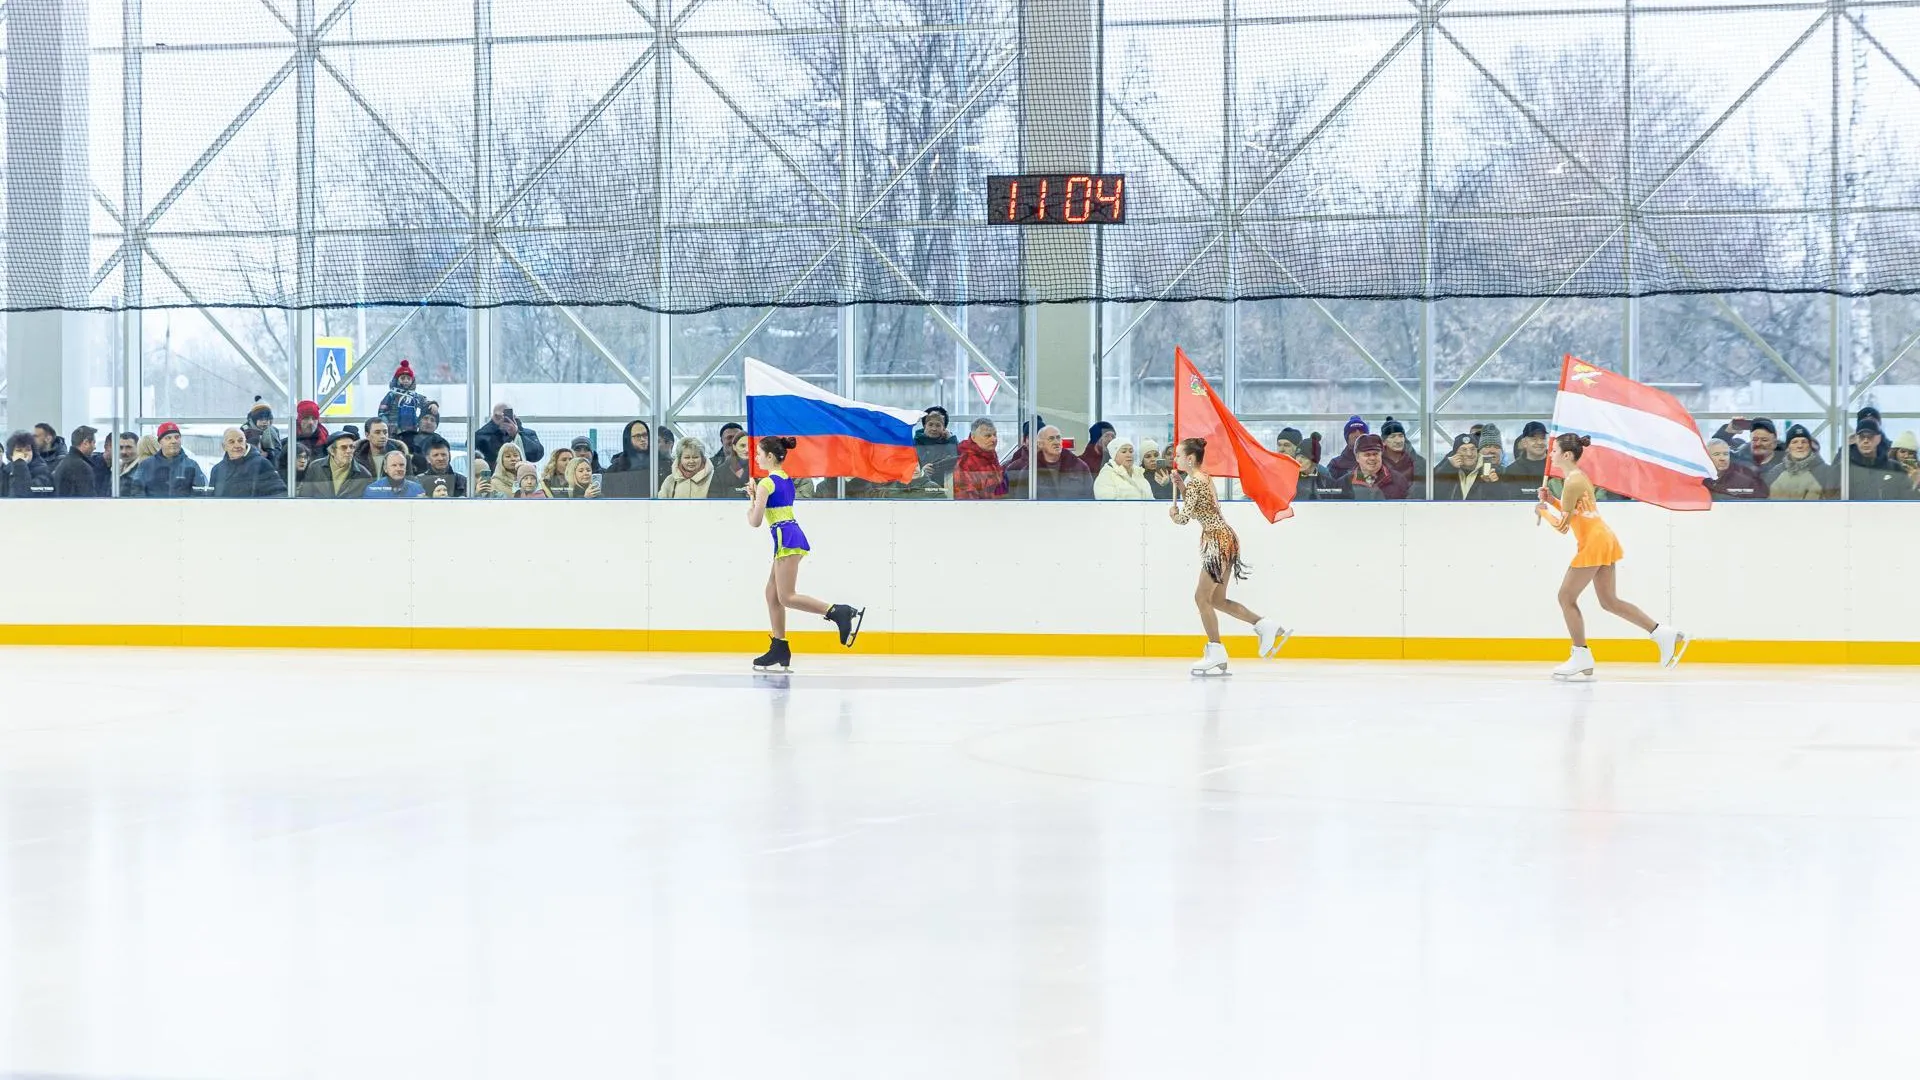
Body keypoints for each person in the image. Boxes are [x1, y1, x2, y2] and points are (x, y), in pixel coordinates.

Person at [1535, 434, 1686, 679]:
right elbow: (1575, 512)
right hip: (1601, 537)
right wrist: (1549, 500)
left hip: (1595, 542)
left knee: (1565, 596)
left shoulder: (1573, 481)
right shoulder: (1575, 478)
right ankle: (1662, 633)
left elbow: (1563, 526)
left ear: (1567, 455)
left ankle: (1581, 654)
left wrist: (1544, 512)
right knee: (1609, 601)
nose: (1550, 455)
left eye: (1554, 451)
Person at [1169, 437, 1287, 676]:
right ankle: (1264, 625)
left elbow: (1184, 518)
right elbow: (1201, 506)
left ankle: (1216, 652)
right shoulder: (1202, 479)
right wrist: (1181, 486)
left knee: (1201, 598)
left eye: (1179, 455)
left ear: (1190, 459)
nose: (1176, 459)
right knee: (1216, 600)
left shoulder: (1196, 483)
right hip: (1225, 538)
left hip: (1216, 542)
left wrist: (1173, 513)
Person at [747, 436, 863, 672]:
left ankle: (838, 611)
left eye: (759, 454)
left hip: (785, 538)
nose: (756, 458)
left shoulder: (765, 484)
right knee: (771, 593)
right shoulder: (786, 479)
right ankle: (779, 646)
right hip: (788, 535)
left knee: (786, 596)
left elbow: (755, 521)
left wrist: (751, 499)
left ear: (770, 456)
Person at [1005, 425, 1093, 500]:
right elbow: (1022, 502)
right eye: (1051, 439)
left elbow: (1090, 498)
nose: (1056, 442)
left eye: (1058, 438)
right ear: (1040, 444)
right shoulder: (1029, 471)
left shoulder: (1080, 466)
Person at [132, 422, 206, 498]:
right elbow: (137, 491)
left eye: (177, 437)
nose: (174, 441)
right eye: (168, 438)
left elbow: (200, 494)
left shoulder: (192, 466)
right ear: (160, 442)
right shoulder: (146, 465)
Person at [210, 427, 283, 498]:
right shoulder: (217, 470)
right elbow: (210, 499)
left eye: (240, 440)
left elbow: (279, 494)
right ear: (224, 446)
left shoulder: (261, 464)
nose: (237, 445)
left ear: (245, 442)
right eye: (231, 442)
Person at [1768, 424, 1835, 500]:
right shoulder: (1776, 472)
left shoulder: (1827, 472)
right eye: (1795, 442)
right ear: (1787, 447)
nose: (1800, 446)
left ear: (1809, 446)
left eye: (1804, 442)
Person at [1847, 420, 1908, 501]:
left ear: (1878, 438)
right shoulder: (1845, 470)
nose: (1866, 441)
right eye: (1862, 437)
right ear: (1856, 439)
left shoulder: (1895, 468)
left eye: (1870, 436)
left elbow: (1910, 499)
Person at [300, 430, 372, 498]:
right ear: (332, 451)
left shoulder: (364, 474)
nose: (349, 451)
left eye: (351, 447)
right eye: (344, 447)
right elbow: (305, 497)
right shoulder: (315, 467)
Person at [473, 402, 545, 467]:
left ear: (513, 416)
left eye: (508, 415)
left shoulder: (528, 433)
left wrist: (516, 433)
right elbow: (472, 444)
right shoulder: (488, 434)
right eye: (498, 416)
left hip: (521, 476)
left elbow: (537, 455)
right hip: (495, 478)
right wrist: (493, 424)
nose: (503, 418)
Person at [953, 418, 1008, 500]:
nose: (994, 439)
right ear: (973, 437)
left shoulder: (991, 455)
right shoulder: (965, 463)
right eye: (987, 436)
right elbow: (966, 500)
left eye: (995, 435)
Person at [601, 419, 654, 498]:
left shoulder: (657, 464)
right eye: (638, 436)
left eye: (645, 435)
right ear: (628, 439)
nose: (643, 439)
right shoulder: (615, 470)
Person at [1704, 438, 1768, 500]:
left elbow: (1761, 500)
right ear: (1706, 457)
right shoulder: (1699, 478)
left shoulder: (1744, 481)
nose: (1723, 458)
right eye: (1717, 454)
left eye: (1725, 454)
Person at [377, 359, 428, 436]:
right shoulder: (392, 394)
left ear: (412, 380)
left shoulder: (414, 396)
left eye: (408, 379)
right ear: (397, 380)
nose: (406, 381)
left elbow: (426, 403)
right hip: (392, 430)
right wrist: (386, 425)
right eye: (402, 378)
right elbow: (382, 411)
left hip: (411, 430)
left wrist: (433, 404)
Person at [1378, 418, 1425, 498]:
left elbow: (1423, 488)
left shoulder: (1420, 462)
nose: (1398, 440)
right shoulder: (1376, 463)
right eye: (1392, 436)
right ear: (1384, 442)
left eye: (1401, 436)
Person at [53, 425, 104, 497]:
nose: (94, 447)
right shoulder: (81, 467)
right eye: (93, 443)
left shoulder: (64, 462)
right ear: (85, 442)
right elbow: (89, 500)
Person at [1, 431, 51, 497]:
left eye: (28, 450)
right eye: (19, 450)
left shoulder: (42, 471)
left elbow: (24, 494)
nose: (24, 453)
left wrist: (20, 464)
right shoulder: (6, 471)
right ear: (11, 455)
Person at [709, 431, 754, 500]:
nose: (747, 449)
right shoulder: (720, 472)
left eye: (750, 445)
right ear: (734, 447)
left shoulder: (762, 469)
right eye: (742, 445)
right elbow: (713, 498)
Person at [1325, 416, 1369, 480]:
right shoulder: (1336, 464)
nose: (1357, 434)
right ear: (1347, 437)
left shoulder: (1376, 461)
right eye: (1353, 431)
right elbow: (1328, 486)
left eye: (1361, 432)